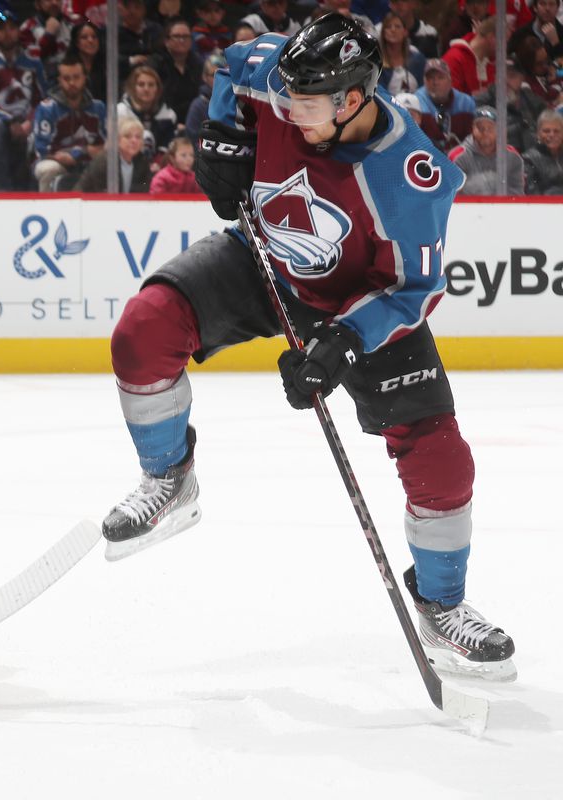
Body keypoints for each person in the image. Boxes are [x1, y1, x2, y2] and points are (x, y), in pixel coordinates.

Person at [102, 14, 515, 680]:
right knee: (143, 330)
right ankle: (168, 476)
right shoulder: (281, 74)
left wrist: (344, 343)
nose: (290, 111)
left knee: (442, 459)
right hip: (263, 259)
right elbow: (234, 65)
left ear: (354, 99)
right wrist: (223, 133)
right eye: (285, 97)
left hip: (360, 303)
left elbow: (412, 292)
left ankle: (443, 607)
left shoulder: (410, 179)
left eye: (309, 105)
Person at [0, 9, 47, 190]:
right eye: (2, 29)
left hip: (27, 122)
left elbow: (42, 99)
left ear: (18, 31)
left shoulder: (33, 62)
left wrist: (29, 121)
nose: (8, 33)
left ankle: (32, 191)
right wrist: (9, 120)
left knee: (43, 126)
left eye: (12, 28)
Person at [32, 52, 106, 191]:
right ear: (59, 80)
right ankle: (48, 211)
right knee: (48, 168)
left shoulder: (98, 108)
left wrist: (77, 154)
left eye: (76, 77)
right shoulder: (47, 108)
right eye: (66, 78)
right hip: (56, 163)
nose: (72, 83)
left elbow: (107, 146)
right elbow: (41, 150)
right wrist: (81, 153)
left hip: (90, 163)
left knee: (110, 165)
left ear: (84, 78)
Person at [473, 58, 546, 153]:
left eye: (512, 76)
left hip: (532, 159)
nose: (505, 81)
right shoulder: (482, 102)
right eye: (501, 75)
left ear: (522, 78)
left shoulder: (534, 102)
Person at [448, 105, 526, 193]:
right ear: (473, 129)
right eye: (480, 128)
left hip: (503, 206)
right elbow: (452, 194)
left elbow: (517, 194)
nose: (485, 132)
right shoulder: (458, 156)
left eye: (490, 128)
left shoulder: (512, 156)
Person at [116, 64, 179, 166]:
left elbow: (169, 148)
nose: (146, 89)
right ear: (133, 87)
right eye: (141, 84)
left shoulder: (168, 115)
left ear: (157, 89)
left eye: (151, 85)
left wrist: (157, 164)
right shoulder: (121, 111)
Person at [414, 57, 476, 151]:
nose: (435, 82)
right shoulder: (417, 101)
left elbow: (472, 139)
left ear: (450, 80)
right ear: (424, 81)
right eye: (430, 78)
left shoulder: (466, 103)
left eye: (440, 77)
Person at [77, 116, 153, 191]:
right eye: (127, 136)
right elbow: (102, 196)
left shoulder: (143, 162)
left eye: (138, 137)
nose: (134, 141)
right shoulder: (104, 161)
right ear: (117, 140)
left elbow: (144, 191)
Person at [154, 17, 205, 120]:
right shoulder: (156, 63)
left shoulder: (198, 62)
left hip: (193, 119)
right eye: (177, 36)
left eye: (186, 36)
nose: (182, 40)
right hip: (165, 118)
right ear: (166, 41)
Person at [19, 0, 74, 83]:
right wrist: (48, 35)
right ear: (38, 4)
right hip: (41, 84)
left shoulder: (71, 25)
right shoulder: (27, 28)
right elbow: (30, 62)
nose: (54, 3)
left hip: (70, 82)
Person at [441, 13, 497, 95]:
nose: (506, 47)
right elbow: (452, 101)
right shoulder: (454, 59)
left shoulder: (494, 63)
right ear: (491, 37)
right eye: (505, 41)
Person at [378, 11, 426, 94]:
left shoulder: (418, 60)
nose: (393, 30)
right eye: (388, 27)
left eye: (397, 26)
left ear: (405, 32)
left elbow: (424, 90)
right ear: (383, 33)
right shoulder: (377, 61)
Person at [65, 20, 107, 102]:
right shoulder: (67, 66)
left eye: (94, 37)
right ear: (77, 43)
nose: (90, 41)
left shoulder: (106, 66)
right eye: (84, 37)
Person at [523, 108, 563, 193]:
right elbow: (532, 193)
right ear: (538, 134)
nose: (552, 135)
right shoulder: (529, 159)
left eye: (556, 131)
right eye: (546, 131)